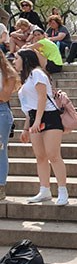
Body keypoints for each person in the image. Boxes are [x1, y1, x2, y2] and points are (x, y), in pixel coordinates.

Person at [14, 49, 69, 206]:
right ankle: (44, 189)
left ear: (25, 59)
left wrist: (37, 120)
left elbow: (42, 97)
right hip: (34, 117)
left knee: (53, 155)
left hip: (49, 116)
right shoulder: (27, 78)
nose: (14, 61)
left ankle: (62, 190)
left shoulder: (37, 73)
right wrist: (26, 128)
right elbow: (29, 106)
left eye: (16, 58)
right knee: (40, 156)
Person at [0, 51, 19, 201]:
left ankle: (1, 187)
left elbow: (4, 96)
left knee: (1, 150)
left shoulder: (8, 74)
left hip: (1, 111)